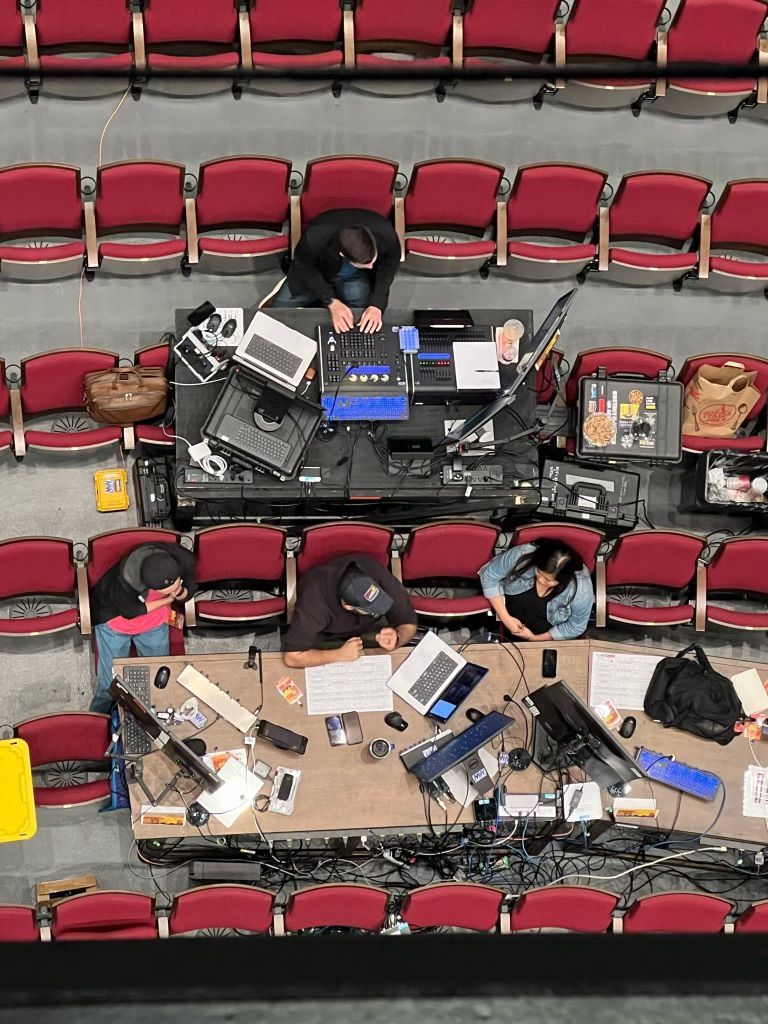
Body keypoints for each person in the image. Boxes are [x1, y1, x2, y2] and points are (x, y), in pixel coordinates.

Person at [89, 544, 197, 713]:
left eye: (176, 583)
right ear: (150, 587)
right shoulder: (125, 581)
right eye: (168, 590)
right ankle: (98, 717)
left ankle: (156, 714)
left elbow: (190, 586)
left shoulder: (182, 560)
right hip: (117, 623)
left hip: (154, 622)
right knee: (109, 684)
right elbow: (131, 611)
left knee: (158, 676)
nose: (174, 589)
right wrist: (168, 600)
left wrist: (181, 592)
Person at [271, 208, 401, 334]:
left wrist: (377, 305)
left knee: (360, 315)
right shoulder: (316, 236)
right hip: (317, 269)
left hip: (353, 274)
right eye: (366, 264)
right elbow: (305, 267)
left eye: (373, 260)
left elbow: (388, 267)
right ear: (342, 254)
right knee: (279, 310)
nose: (372, 267)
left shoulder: (387, 235)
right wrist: (331, 301)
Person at [283, 554, 417, 669]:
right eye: (371, 610)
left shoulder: (377, 576)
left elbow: (409, 623)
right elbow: (292, 657)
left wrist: (397, 638)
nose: (377, 609)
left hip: (372, 631)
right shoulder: (314, 602)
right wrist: (339, 655)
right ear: (348, 606)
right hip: (327, 635)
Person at [479, 538, 593, 641]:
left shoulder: (581, 587)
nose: (541, 581)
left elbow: (576, 626)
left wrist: (534, 638)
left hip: (549, 638)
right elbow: (489, 575)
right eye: (539, 572)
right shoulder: (522, 555)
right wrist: (506, 618)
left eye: (548, 580)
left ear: (564, 579)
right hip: (510, 622)